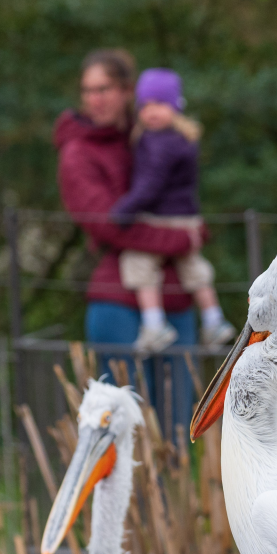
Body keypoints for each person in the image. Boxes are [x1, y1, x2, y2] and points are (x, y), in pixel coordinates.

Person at [53, 48, 204, 437]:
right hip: (117, 298)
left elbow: (183, 196)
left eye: (104, 89)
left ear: (126, 92)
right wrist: (183, 238)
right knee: (126, 429)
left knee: (177, 427)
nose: (94, 99)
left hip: (174, 295)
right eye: (87, 91)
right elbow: (109, 225)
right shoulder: (78, 153)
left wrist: (190, 233)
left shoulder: (154, 135)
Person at [109, 67, 236, 352]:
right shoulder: (183, 139)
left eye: (160, 104)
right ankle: (214, 319)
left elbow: (150, 184)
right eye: (146, 105)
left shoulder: (159, 143)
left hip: (162, 218)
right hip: (188, 217)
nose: (152, 111)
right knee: (193, 268)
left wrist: (125, 210)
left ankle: (154, 325)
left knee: (139, 261)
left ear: (175, 106)